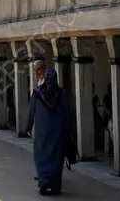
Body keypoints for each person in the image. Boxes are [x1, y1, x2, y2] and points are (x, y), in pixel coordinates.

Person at [25, 62, 71, 196]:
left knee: (42, 156)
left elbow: (30, 112)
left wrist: (28, 127)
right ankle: (55, 184)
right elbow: (67, 114)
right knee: (56, 157)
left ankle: (44, 181)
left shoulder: (37, 94)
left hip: (42, 132)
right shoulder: (62, 94)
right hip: (57, 132)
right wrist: (69, 131)